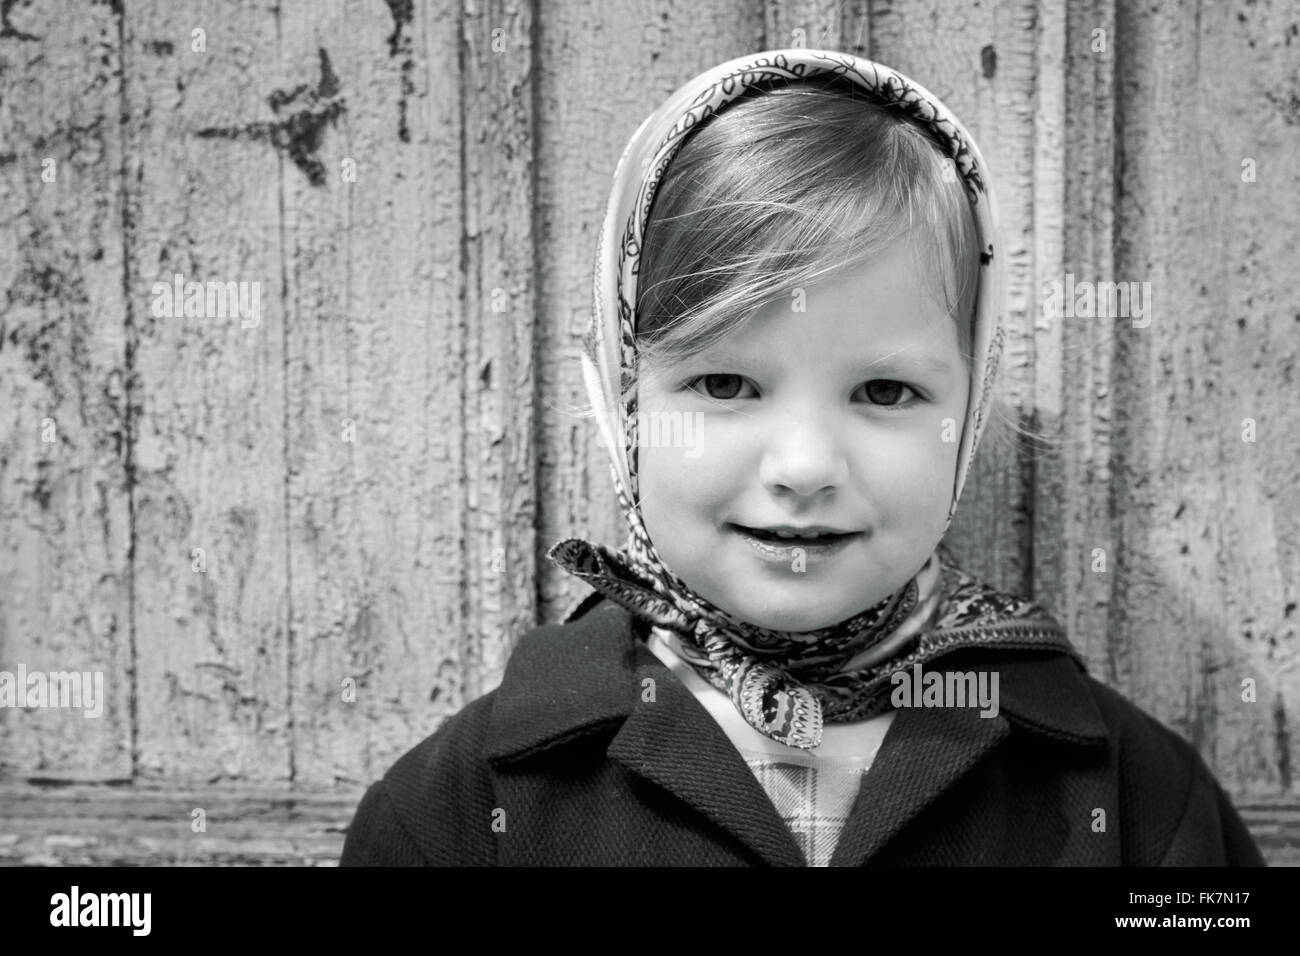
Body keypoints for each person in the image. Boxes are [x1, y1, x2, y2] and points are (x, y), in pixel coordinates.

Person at [339, 49, 1265, 866]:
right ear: (622, 408)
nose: (805, 464)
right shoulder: (463, 810)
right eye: (726, 386)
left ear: (969, 410)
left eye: (886, 393)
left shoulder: (1130, 794)